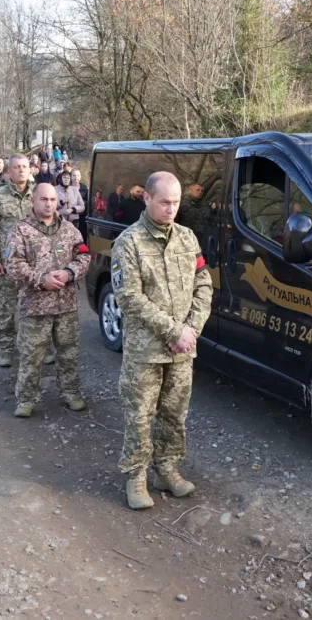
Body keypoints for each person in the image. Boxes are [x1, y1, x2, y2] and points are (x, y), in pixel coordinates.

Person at [111, 172, 213, 509]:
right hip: (146, 352)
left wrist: (191, 330)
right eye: (164, 202)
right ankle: (136, 477)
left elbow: (203, 284)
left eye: (176, 202)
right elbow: (128, 297)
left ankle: (167, 470)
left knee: (175, 414)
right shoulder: (129, 242)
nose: (171, 208)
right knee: (140, 416)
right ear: (147, 199)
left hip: (183, 349)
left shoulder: (187, 238)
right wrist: (174, 331)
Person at [5, 182, 91, 417]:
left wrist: (69, 273)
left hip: (66, 304)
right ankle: (26, 399)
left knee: (68, 353)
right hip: (35, 306)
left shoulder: (70, 230)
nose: (49, 204)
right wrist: (41, 279)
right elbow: (13, 264)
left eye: (53, 200)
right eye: (44, 199)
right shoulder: (20, 230)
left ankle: (71, 393)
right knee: (31, 355)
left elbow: (84, 256)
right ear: (33, 200)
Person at [0, 154, 35, 368]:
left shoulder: (39, 194)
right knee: (6, 308)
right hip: (8, 264)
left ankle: (37, 347)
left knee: (35, 309)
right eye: (17, 167)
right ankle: (5, 348)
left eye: (24, 166)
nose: (21, 170)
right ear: (8, 171)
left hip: (34, 265)